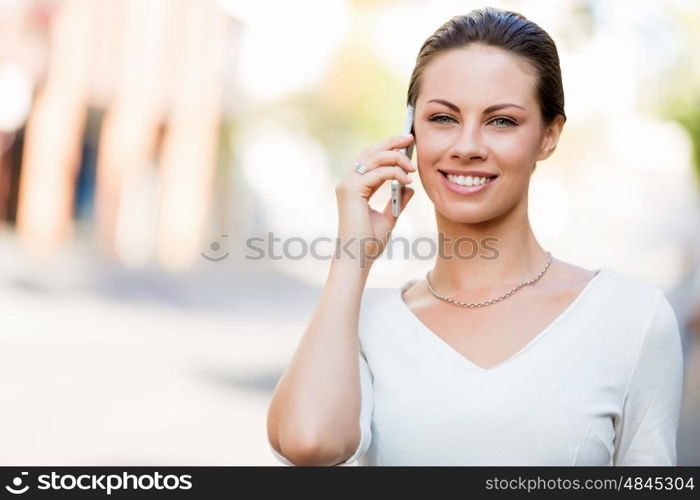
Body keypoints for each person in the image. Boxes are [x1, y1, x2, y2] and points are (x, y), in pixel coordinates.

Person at [266, 6, 684, 466]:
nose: (466, 146)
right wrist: (352, 258)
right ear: (410, 133)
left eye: (501, 121)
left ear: (549, 135)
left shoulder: (631, 318)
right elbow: (308, 443)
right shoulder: (365, 322)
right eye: (443, 118)